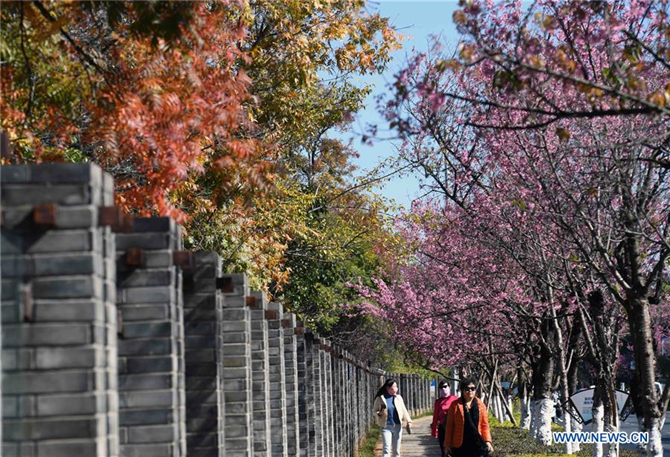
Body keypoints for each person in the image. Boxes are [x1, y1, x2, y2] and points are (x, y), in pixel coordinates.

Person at [444, 378, 493, 457]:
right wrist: (447, 445)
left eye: (472, 388)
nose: (470, 391)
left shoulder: (481, 405)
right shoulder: (455, 405)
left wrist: (488, 441)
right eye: (467, 389)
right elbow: (450, 426)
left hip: (477, 444)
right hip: (460, 445)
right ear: (462, 390)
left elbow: (485, 425)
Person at [373, 379, 413, 457]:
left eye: (396, 386)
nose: (395, 389)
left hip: (397, 426)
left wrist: (409, 421)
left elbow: (404, 409)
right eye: (393, 387)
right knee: (386, 449)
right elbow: (374, 411)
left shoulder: (398, 398)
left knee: (396, 450)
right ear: (387, 388)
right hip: (386, 427)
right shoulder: (380, 398)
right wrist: (379, 414)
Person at [431, 381, 459, 457]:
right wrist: (434, 430)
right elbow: (435, 417)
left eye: (445, 386)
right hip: (443, 428)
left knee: (454, 451)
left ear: (449, 387)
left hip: (454, 429)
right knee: (444, 451)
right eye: (441, 387)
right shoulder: (438, 402)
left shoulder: (456, 399)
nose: (443, 389)